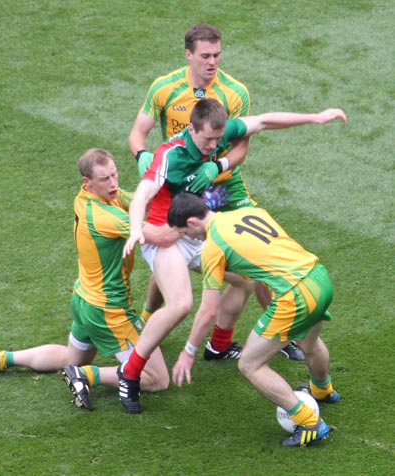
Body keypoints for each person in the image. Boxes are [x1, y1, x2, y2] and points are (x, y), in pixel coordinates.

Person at [119, 98, 347, 414]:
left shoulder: (218, 133)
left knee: (244, 280)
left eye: (218, 140)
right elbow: (142, 194)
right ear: (191, 128)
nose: (214, 146)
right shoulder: (169, 155)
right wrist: (135, 229)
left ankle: (219, 345)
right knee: (182, 304)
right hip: (166, 233)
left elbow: (265, 121)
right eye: (208, 141)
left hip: (196, 228)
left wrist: (316, 117)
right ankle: (129, 373)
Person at [128, 22, 304, 361]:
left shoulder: (234, 92)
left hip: (222, 190)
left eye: (217, 55)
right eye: (205, 56)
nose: (213, 62)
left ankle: (276, 335)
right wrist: (143, 156)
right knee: (169, 247)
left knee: (255, 252)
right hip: (182, 189)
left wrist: (217, 167)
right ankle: (149, 317)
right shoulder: (165, 88)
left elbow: (240, 148)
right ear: (189, 55)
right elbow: (137, 133)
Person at [0, 148, 170, 413]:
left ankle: (0, 359)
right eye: (105, 179)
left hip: (84, 300)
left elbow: (143, 201)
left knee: (69, 357)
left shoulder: (87, 199)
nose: (114, 183)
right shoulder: (108, 217)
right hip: (110, 311)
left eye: (115, 174)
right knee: (158, 379)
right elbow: (160, 236)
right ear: (88, 182)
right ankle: (86, 377)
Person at [168, 192, 340, 447]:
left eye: (184, 232)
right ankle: (322, 389)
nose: (189, 238)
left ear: (193, 222)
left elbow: (207, 310)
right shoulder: (248, 212)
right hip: (319, 277)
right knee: (309, 342)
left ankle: (309, 422)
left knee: (250, 364)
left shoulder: (213, 247)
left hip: (296, 295)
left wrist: (189, 351)